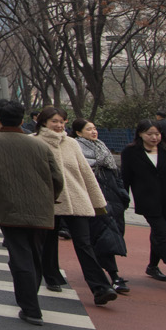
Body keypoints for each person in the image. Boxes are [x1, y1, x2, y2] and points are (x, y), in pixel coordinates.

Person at [0, 99, 64, 325]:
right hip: (41, 206)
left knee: (20, 256)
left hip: (9, 206)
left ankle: (31, 307)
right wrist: (49, 198)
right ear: (23, 119)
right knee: (35, 254)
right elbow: (57, 178)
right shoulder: (40, 145)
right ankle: (30, 297)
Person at [33, 109, 118, 305]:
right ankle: (52, 276)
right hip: (48, 200)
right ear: (44, 122)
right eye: (55, 121)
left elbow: (86, 172)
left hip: (76, 200)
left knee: (84, 243)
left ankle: (100, 287)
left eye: (62, 121)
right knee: (49, 243)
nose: (59, 125)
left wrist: (97, 202)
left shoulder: (71, 143)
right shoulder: (34, 141)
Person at [121, 121, 166, 292]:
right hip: (148, 202)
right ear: (140, 134)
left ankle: (152, 266)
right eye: (149, 134)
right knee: (163, 236)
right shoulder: (130, 153)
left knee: (162, 233)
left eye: (157, 134)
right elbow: (125, 178)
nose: (154, 138)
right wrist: (122, 199)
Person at [76, 119, 129, 294]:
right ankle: (114, 276)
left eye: (94, 128)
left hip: (113, 199)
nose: (93, 132)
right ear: (78, 132)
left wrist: (122, 194)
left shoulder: (102, 147)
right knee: (104, 236)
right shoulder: (76, 149)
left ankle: (103, 269)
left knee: (113, 234)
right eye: (88, 129)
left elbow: (115, 173)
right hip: (93, 200)